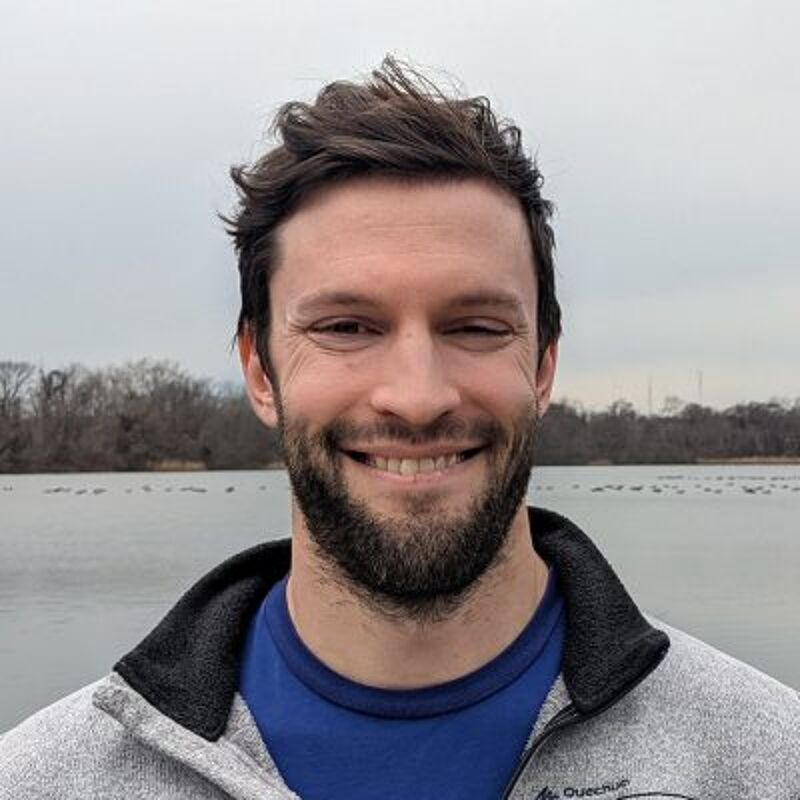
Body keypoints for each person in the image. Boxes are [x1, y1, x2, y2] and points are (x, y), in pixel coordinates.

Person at [1, 57, 798, 800]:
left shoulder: (765, 759)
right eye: (347, 327)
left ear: (545, 366)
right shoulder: (44, 779)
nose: (416, 398)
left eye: (477, 327)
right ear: (258, 369)